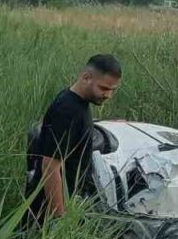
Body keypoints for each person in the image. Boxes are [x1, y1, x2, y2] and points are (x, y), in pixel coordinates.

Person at [25, 54, 122, 227]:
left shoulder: (77, 104)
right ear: (86, 77)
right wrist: (60, 218)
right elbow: (50, 166)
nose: (108, 95)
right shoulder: (68, 111)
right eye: (104, 88)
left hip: (68, 199)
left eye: (113, 90)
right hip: (49, 207)